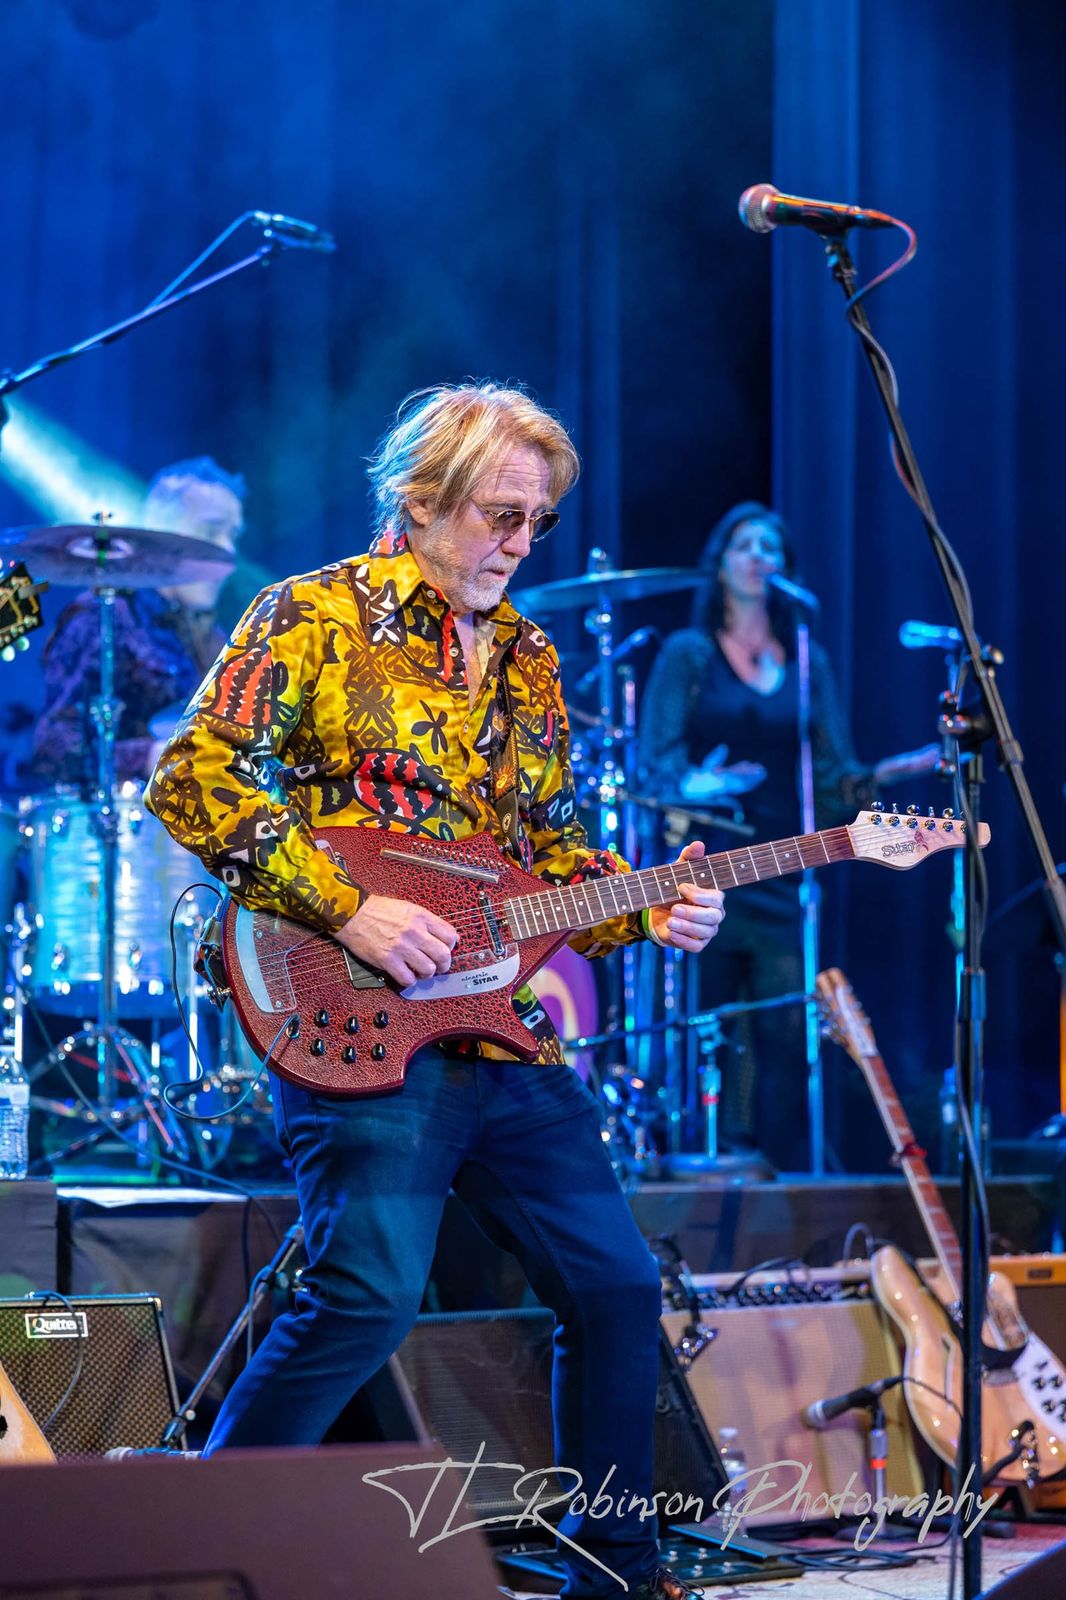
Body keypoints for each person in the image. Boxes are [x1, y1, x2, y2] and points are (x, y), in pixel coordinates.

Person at [146, 383, 725, 1600]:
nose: (519, 541)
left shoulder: (528, 657)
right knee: (363, 1296)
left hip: (497, 1027)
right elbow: (192, 773)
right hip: (352, 1007)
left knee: (617, 1286)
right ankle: (190, 1556)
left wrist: (652, 904)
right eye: (498, 513)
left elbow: (550, 858)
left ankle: (615, 1576)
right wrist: (347, 904)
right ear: (417, 500)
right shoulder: (310, 616)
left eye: (537, 520)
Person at [638, 501, 937, 1170]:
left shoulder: (806, 659)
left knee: (782, 1030)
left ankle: (782, 1173)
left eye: (770, 548)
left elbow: (833, 779)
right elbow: (653, 764)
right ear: (720, 563)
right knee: (714, 1023)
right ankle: (712, 1160)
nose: (758, 558)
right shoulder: (689, 654)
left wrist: (898, 770)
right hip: (706, 868)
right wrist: (702, 783)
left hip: (784, 867)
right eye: (745, 545)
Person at [31, 457, 247, 786]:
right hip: (115, 814)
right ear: (160, 531)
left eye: (233, 536)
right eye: (210, 531)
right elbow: (53, 748)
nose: (227, 550)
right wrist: (148, 757)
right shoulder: (107, 616)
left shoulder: (214, 640)